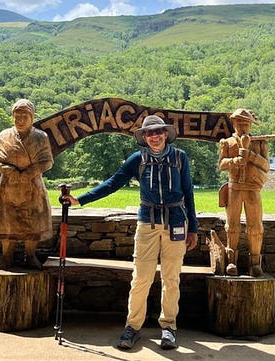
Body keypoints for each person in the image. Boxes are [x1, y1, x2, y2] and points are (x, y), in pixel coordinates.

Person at [64, 114, 198, 350]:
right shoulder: (138, 159)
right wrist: (80, 200)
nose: (154, 136)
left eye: (158, 132)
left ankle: (169, 327)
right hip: (147, 223)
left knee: (171, 278)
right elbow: (113, 183)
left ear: (166, 134)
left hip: (177, 222)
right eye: (150, 133)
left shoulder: (180, 158)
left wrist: (193, 229)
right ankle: (133, 327)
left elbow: (188, 192)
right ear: (144, 137)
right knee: (140, 278)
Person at [0, 99, 54, 271]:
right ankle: (6, 256)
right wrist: (10, 171)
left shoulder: (40, 137)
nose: (21, 119)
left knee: (33, 222)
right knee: (7, 222)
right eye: (17, 115)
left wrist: (30, 173)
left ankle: (30, 255)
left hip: (33, 186)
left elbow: (47, 161)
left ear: (32, 117)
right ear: (13, 116)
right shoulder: (4, 136)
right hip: (9, 186)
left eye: (25, 115)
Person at [218, 108, 269, 277]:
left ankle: (254, 263)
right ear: (233, 124)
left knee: (255, 227)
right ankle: (231, 260)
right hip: (234, 189)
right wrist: (235, 161)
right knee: (232, 225)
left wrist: (252, 156)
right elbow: (221, 164)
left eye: (246, 123)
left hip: (253, 188)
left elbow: (266, 166)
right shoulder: (227, 143)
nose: (243, 126)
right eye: (239, 123)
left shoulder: (260, 143)